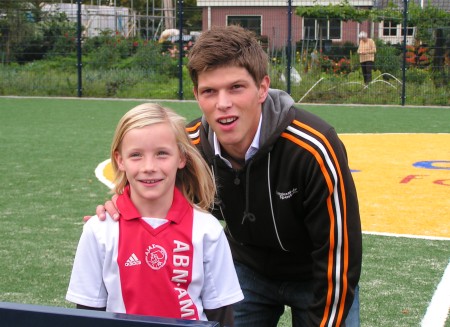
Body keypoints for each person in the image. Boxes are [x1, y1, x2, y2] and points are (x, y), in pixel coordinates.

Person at [93, 26, 362, 327]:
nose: (223, 104)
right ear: (196, 95)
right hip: (245, 269)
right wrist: (121, 205)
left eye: (236, 87)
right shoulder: (188, 149)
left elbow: (339, 254)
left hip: (316, 273)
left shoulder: (314, 147)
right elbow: (153, 200)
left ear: (262, 88)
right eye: (210, 91)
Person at [68, 103, 244, 326]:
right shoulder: (99, 229)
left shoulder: (207, 229)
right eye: (136, 155)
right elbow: (88, 313)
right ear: (120, 160)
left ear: (181, 158)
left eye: (162, 153)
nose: (149, 166)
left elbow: (221, 314)